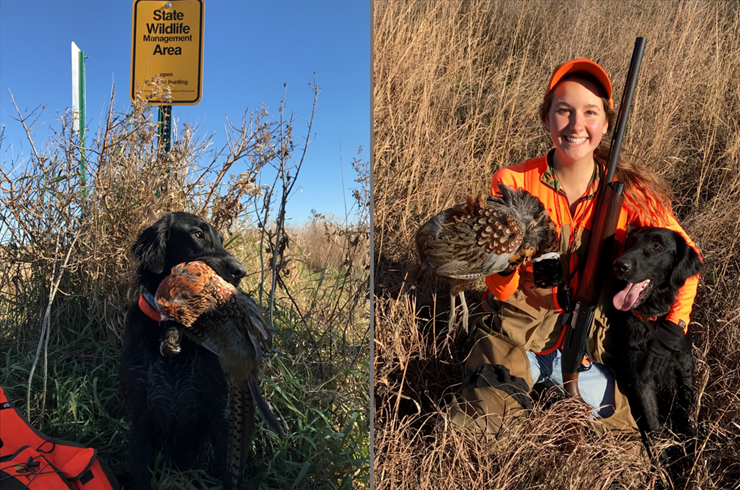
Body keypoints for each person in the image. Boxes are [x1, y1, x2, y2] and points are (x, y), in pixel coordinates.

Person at [447, 58, 701, 437]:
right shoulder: (514, 181)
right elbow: (500, 289)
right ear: (546, 117)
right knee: (476, 430)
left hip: (591, 346)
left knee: (630, 457)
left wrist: (674, 328)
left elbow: (686, 254)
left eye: (590, 112)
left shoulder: (629, 191)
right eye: (563, 111)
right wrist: (504, 263)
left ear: (606, 123)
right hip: (517, 335)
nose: (576, 125)